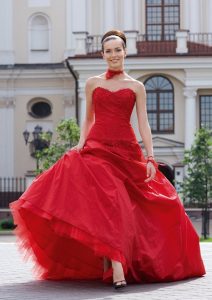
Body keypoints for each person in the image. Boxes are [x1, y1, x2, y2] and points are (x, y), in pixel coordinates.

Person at [10, 29, 205, 290]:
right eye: (109, 51)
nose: (114, 54)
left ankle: (110, 257)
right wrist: (80, 144)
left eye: (118, 50)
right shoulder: (93, 83)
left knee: (133, 203)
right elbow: (89, 118)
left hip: (125, 150)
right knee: (110, 199)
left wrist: (150, 157)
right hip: (97, 148)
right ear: (103, 54)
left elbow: (144, 124)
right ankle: (116, 265)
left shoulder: (137, 86)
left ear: (125, 52)